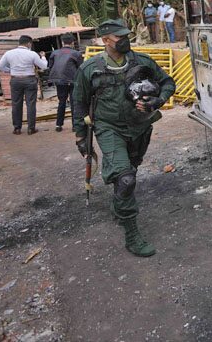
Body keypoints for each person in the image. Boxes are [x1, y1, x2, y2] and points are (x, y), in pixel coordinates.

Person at [72, 19, 175, 257]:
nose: (126, 40)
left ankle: (119, 203)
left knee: (131, 170)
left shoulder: (142, 62)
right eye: (120, 37)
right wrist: (80, 136)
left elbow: (168, 82)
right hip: (109, 128)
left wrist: (158, 100)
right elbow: (79, 103)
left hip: (140, 127)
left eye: (127, 35)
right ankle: (132, 234)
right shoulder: (90, 69)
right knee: (126, 178)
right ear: (105, 40)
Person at [0, 35, 47, 135]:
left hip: (15, 80)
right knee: (31, 104)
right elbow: (44, 66)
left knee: (16, 104)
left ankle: (17, 128)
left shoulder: (9, 53)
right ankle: (31, 128)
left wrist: (10, 70)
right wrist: (43, 57)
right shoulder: (32, 54)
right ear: (29, 43)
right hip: (29, 80)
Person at [48, 33, 83, 132]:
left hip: (59, 81)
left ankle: (58, 125)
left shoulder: (54, 53)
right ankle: (75, 126)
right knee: (74, 103)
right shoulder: (76, 53)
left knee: (61, 102)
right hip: (73, 80)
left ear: (62, 42)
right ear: (72, 43)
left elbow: (50, 67)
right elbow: (81, 68)